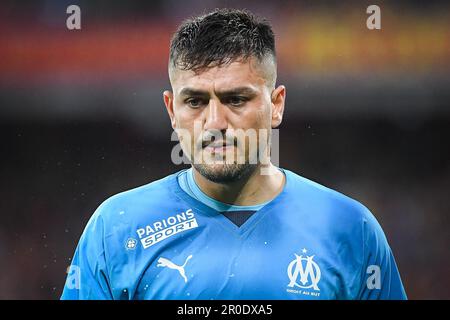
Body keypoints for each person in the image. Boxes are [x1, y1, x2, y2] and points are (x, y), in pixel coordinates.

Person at [61, 8, 407, 300]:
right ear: (171, 110)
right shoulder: (117, 228)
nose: (214, 122)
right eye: (195, 101)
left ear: (276, 105)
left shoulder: (350, 229)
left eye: (236, 99)